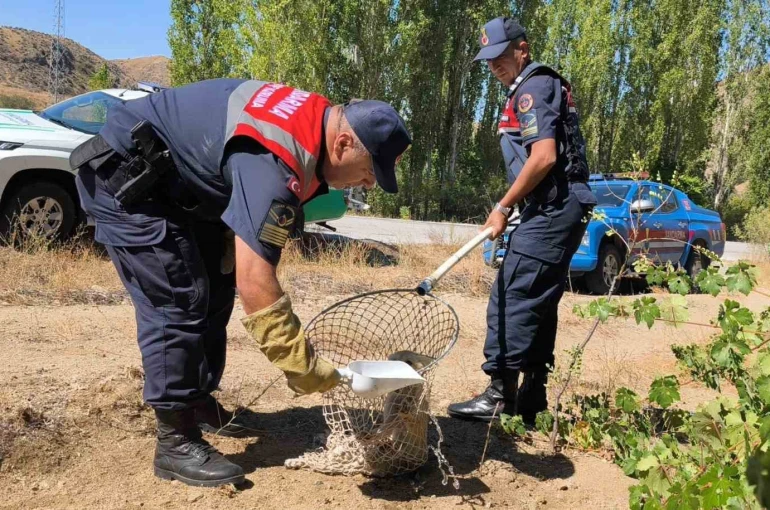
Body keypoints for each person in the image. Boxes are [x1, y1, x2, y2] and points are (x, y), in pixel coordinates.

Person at [70, 79, 411, 487]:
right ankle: (175, 440)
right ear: (342, 145)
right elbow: (257, 284)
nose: (369, 184)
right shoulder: (279, 159)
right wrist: (299, 363)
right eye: (371, 171)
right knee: (178, 300)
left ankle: (197, 402)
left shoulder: (316, 122)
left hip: (178, 187)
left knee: (217, 282)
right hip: (126, 180)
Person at [447, 17, 597, 424]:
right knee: (538, 299)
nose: (494, 66)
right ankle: (532, 398)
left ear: (522, 49)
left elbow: (544, 156)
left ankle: (499, 395)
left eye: (500, 56)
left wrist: (503, 205)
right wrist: (518, 203)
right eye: (488, 60)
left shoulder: (531, 87)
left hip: (554, 207)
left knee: (512, 293)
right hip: (554, 205)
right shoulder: (533, 85)